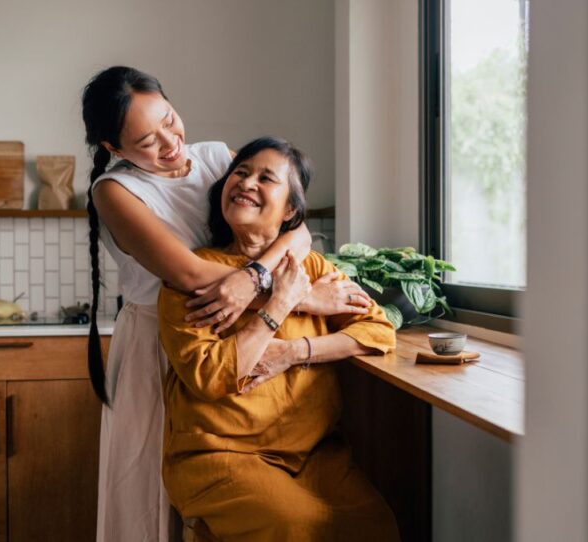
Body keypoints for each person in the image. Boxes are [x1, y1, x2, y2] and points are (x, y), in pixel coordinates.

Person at [81, 67, 373, 541]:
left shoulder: (218, 156)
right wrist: (297, 295)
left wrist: (260, 279)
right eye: (146, 141)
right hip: (164, 345)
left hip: (245, 332)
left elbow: (295, 227)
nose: (170, 143)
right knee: (154, 498)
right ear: (114, 149)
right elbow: (189, 275)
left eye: (169, 120)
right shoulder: (114, 191)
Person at [158, 137, 402, 541]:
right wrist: (282, 302)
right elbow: (208, 377)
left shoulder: (311, 266)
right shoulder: (193, 275)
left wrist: (294, 352)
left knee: (376, 525)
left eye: (266, 177)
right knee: (295, 527)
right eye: (240, 172)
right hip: (218, 455)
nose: (246, 182)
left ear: (290, 209)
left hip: (313, 455)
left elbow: (378, 330)